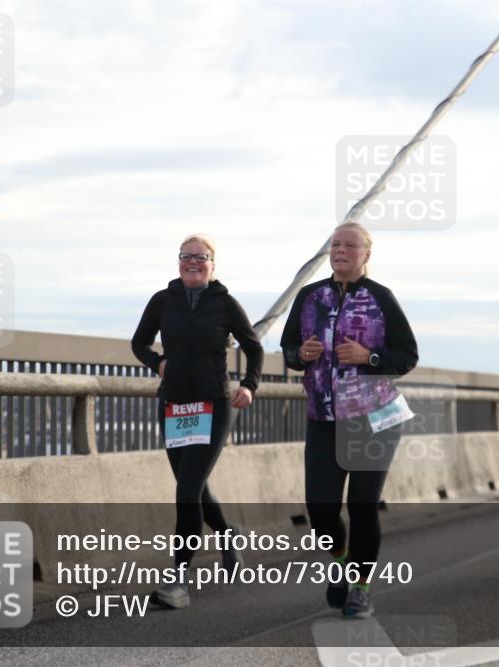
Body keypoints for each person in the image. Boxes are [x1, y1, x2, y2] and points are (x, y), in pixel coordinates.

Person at [280, 222, 418, 618]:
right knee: (321, 507)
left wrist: (369, 358)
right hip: (323, 416)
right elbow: (288, 349)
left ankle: (361, 587)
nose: (340, 250)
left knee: (362, 505)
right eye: (336, 244)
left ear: (366, 255)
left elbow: (407, 356)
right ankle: (340, 562)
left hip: (375, 418)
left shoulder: (380, 298)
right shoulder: (310, 297)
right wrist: (300, 354)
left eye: (350, 245)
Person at [132, 234, 263, 608]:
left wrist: (249, 386)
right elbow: (139, 342)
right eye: (186, 257)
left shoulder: (224, 303)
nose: (193, 262)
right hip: (175, 406)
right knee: (196, 488)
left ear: (212, 264)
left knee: (187, 492)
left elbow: (253, 347)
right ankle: (228, 535)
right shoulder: (163, 300)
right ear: (178, 263)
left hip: (213, 405)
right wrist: (157, 362)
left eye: (200, 257)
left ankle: (178, 582)